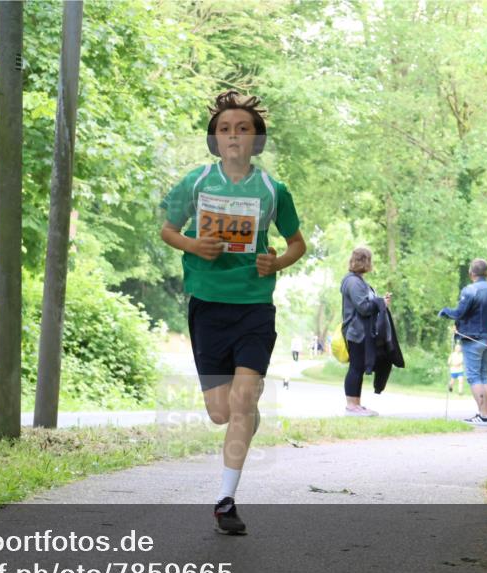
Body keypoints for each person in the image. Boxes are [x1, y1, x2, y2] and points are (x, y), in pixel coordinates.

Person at [160, 91, 306, 535]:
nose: (234, 136)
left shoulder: (273, 191)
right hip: (207, 305)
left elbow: (297, 244)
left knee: (242, 401)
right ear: (215, 140)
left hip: (254, 306)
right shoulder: (197, 182)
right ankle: (247, 413)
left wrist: (276, 263)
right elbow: (168, 229)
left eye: (243, 129)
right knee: (222, 413)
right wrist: (193, 245)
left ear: (256, 139)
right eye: (225, 129)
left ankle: (226, 501)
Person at [340, 247, 404, 416]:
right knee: (356, 367)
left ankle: (356, 404)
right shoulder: (353, 282)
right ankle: (351, 406)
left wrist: (381, 301)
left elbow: (368, 303)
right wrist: (380, 303)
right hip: (356, 332)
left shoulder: (359, 281)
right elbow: (363, 307)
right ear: (365, 261)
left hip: (363, 332)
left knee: (359, 367)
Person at [438, 259, 487, 425]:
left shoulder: (470, 290)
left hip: (473, 339)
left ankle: (483, 415)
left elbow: (460, 313)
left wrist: (445, 312)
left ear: (471, 273)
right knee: (485, 377)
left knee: (474, 377)